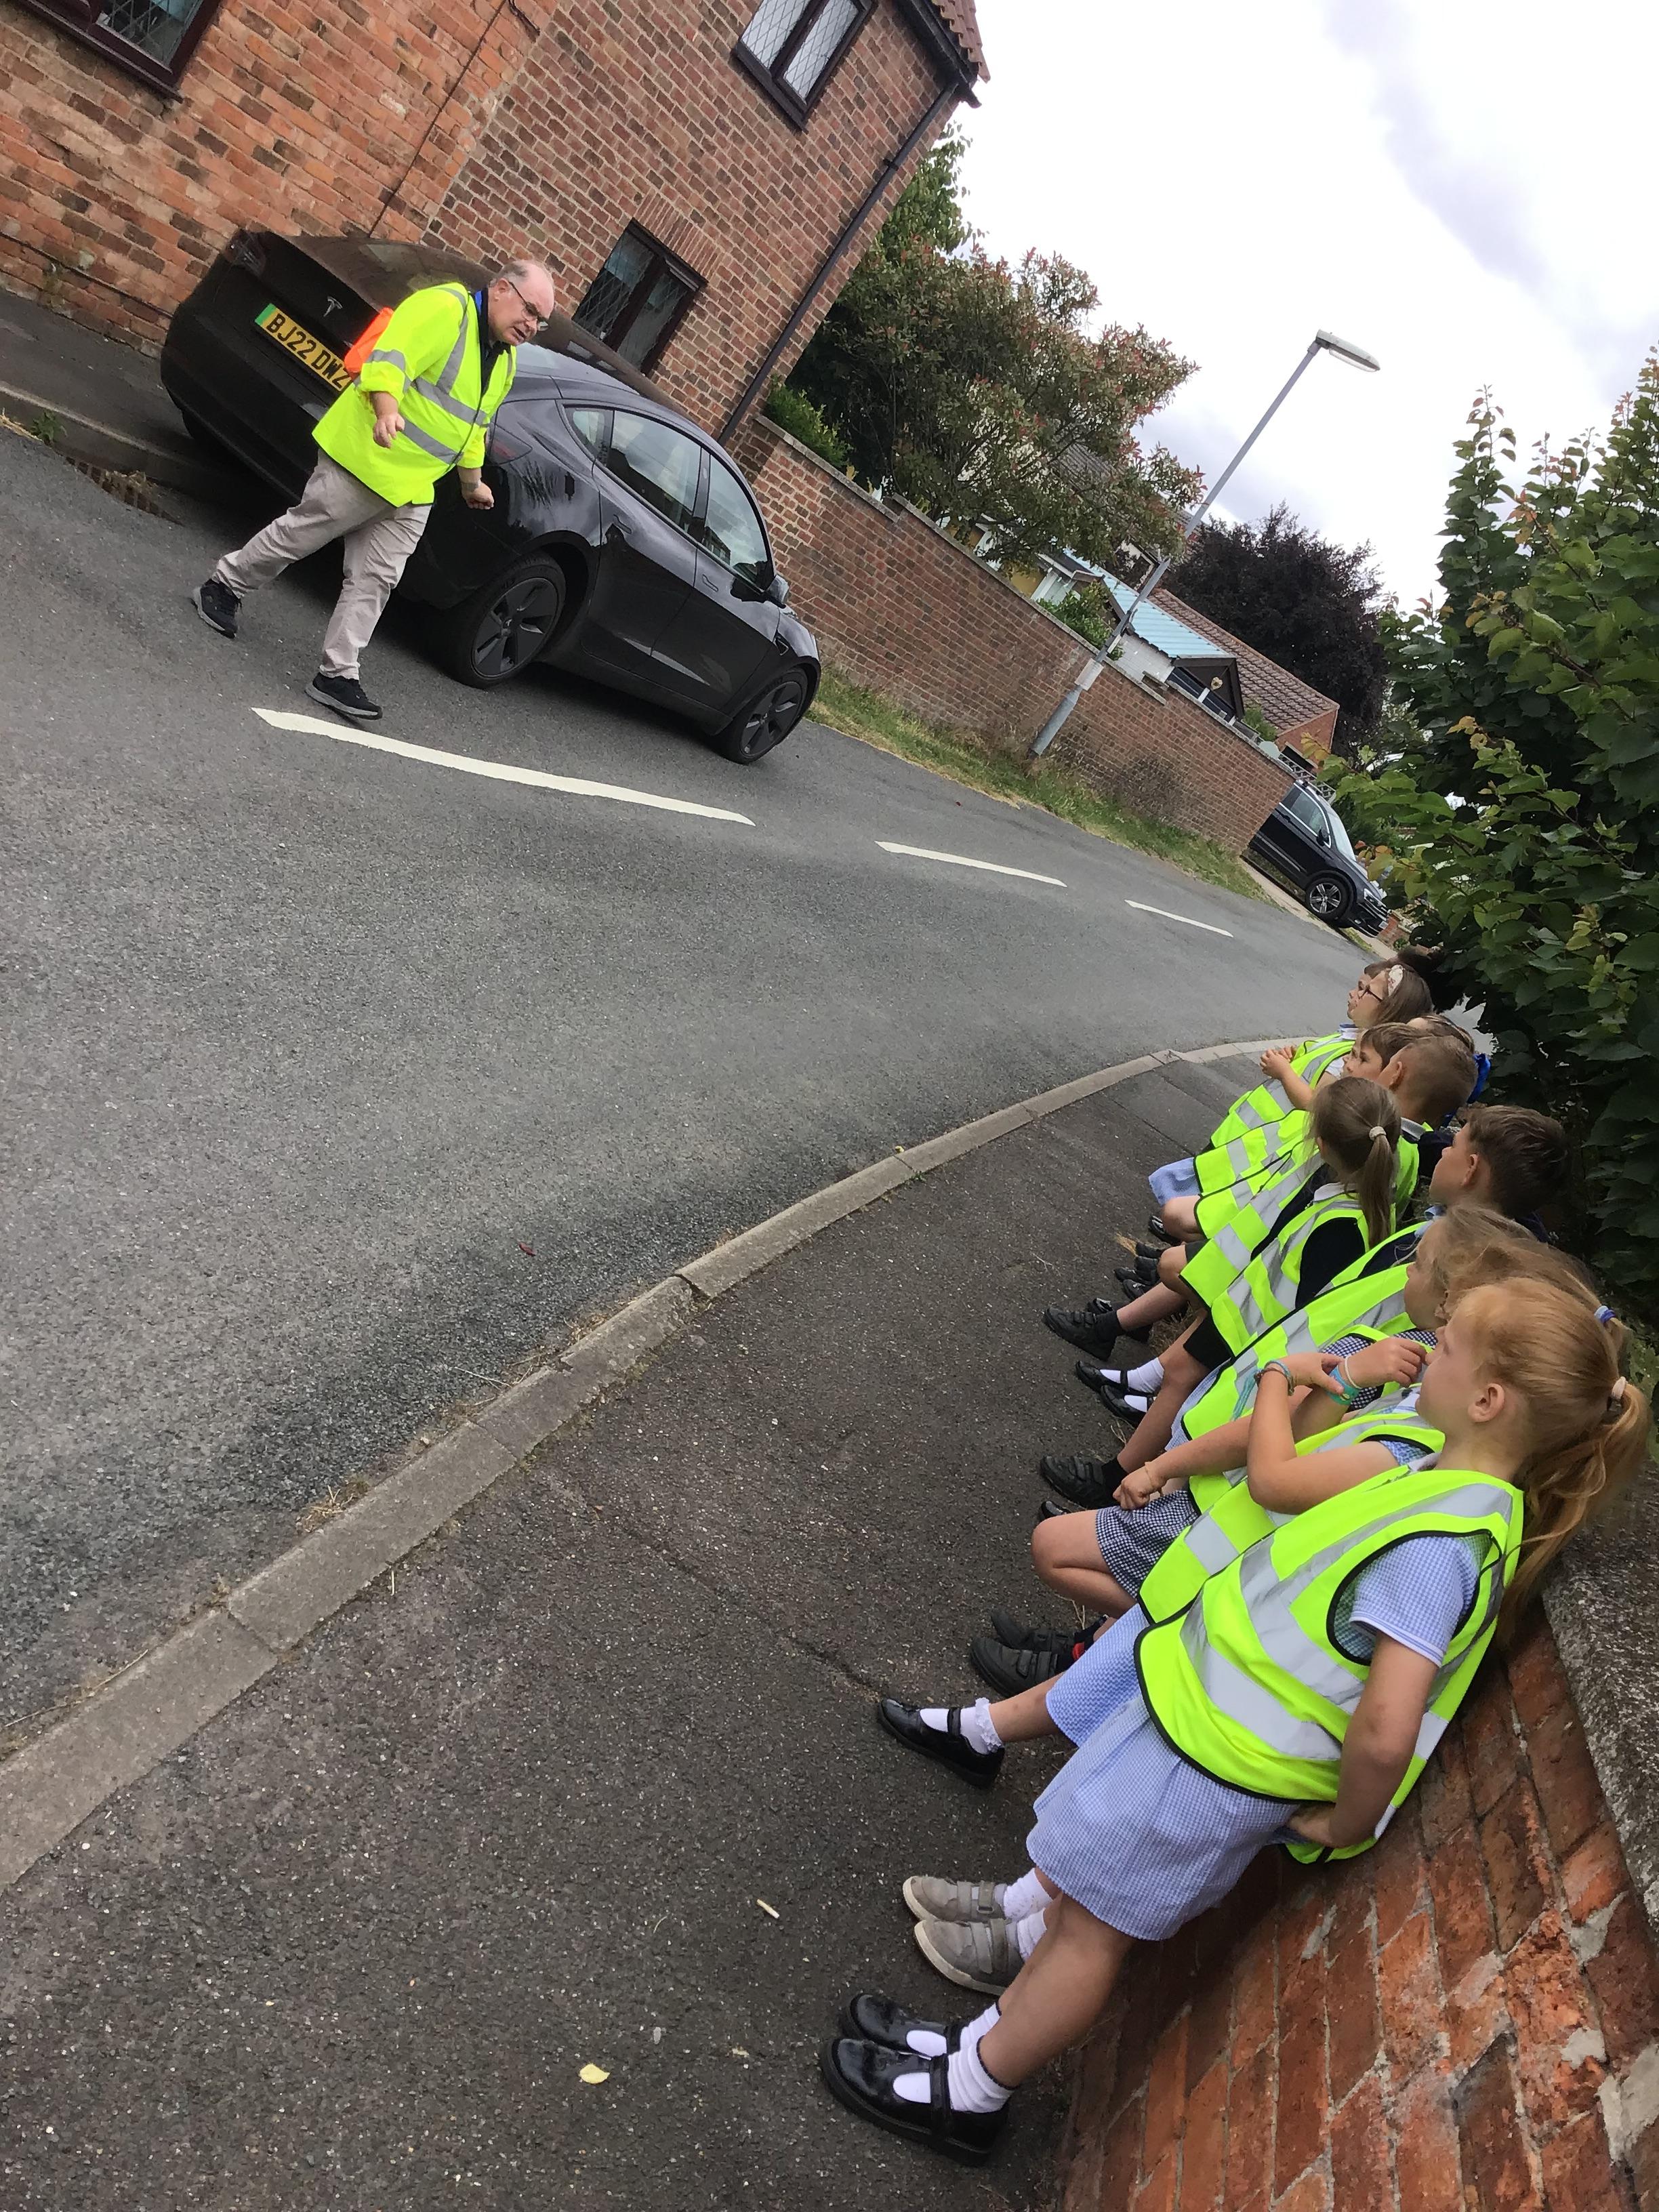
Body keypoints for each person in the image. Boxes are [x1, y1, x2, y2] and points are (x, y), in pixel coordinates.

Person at [830, 1279, 1647, 2164]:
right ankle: (973, 2048)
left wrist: (1347, 1822)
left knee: (1086, 1939)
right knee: (1074, 1922)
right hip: (1203, 1741)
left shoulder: (1440, 1546)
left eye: (1448, 1347)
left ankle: (971, 2094)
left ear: (1487, 1399)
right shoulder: (1444, 1492)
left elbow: (1386, 1725)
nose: (1429, 1348)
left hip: (1219, 1767)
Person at [192, 257, 556, 722]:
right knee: (300, 535)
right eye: (530, 310)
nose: (532, 325)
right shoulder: (446, 309)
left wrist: (472, 484)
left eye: (541, 321)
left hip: (413, 486)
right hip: (365, 459)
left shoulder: (504, 361)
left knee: (376, 579)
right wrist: (386, 412)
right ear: (502, 288)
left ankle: (337, 673)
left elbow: (474, 428)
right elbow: (388, 363)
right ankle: (223, 586)